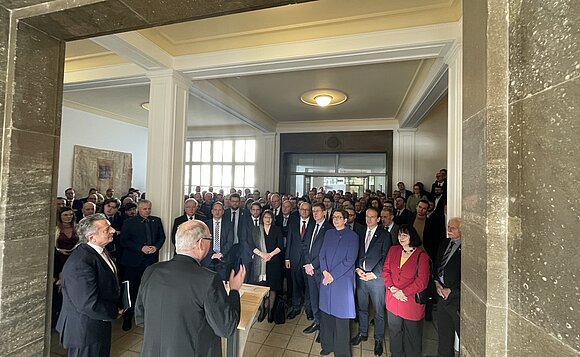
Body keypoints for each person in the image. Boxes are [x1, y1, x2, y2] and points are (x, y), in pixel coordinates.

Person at [135, 219, 244, 357]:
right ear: (200, 244)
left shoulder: (151, 271)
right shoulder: (208, 279)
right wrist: (234, 290)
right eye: (209, 238)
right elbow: (227, 328)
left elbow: (140, 317)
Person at [56, 214, 122, 357]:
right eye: (107, 229)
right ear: (91, 237)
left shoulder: (99, 251)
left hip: (97, 322)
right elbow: (87, 303)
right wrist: (113, 311)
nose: (113, 230)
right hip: (84, 330)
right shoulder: (81, 263)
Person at [382, 225, 430, 357]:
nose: (401, 238)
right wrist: (392, 288)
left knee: (412, 336)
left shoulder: (422, 257)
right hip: (392, 301)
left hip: (410, 303)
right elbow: (385, 271)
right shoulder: (393, 250)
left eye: (405, 235)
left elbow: (422, 282)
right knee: (394, 333)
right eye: (399, 235)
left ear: (412, 237)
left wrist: (402, 292)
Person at [119, 199, 166, 331]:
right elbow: (124, 240)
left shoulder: (156, 221)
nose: (147, 211)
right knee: (131, 290)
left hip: (150, 261)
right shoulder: (129, 222)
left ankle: (145, 315)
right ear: (138, 209)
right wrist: (140, 248)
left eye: (149, 208)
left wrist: (156, 248)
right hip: (132, 262)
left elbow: (162, 237)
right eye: (145, 209)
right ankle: (127, 317)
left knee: (148, 289)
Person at [318, 209, 359, 356]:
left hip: (342, 281)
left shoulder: (353, 236)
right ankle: (327, 345)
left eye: (339, 217)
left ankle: (342, 353)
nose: (335, 220)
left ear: (346, 220)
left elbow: (349, 260)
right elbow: (321, 254)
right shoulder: (328, 233)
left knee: (341, 318)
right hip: (326, 278)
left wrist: (332, 276)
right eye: (334, 217)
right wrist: (324, 272)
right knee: (326, 315)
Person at [351, 207, 391, 356]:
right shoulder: (360, 232)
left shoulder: (384, 235)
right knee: (362, 308)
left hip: (376, 280)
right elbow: (354, 252)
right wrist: (357, 268)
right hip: (361, 277)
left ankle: (379, 339)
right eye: (367, 216)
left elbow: (386, 257)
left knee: (379, 311)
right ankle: (362, 333)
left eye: (373, 217)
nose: (369, 219)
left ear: (378, 219)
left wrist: (373, 274)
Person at [248, 209, 284, 322]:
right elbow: (251, 245)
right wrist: (262, 254)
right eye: (265, 217)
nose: (268, 219)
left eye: (270, 217)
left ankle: (270, 311)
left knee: (273, 287)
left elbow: (280, 246)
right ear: (262, 219)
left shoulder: (277, 230)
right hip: (260, 262)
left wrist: (269, 255)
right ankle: (262, 309)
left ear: (272, 219)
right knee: (261, 288)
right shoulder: (256, 230)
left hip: (273, 261)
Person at [302, 203, 332, 335]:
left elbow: (325, 252)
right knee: (313, 297)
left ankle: (325, 327)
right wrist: (308, 264)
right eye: (313, 211)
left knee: (323, 299)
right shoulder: (311, 225)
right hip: (310, 269)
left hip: (321, 270)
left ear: (324, 212)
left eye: (317, 211)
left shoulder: (329, 229)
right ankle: (317, 321)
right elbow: (305, 246)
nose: (314, 213)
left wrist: (313, 265)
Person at [434, 218, 462, 357]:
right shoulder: (444, 243)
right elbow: (437, 265)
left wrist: (451, 290)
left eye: (453, 228)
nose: (449, 230)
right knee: (444, 333)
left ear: (462, 230)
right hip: (441, 294)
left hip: (457, 299)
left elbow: (468, 277)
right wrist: (437, 283)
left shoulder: (468, 249)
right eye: (448, 227)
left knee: (463, 335)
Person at [285, 201, 314, 319]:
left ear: (310, 211)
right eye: (302, 209)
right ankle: (296, 307)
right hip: (294, 258)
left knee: (309, 286)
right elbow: (289, 240)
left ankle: (309, 309)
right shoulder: (293, 221)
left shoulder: (314, 223)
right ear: (299, 209)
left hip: (309, 260)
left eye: (307, 210)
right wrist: (287, 258)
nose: (304, 212)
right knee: (295, 285)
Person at [52, 206, 80, 326]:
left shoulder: (77, 228)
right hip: (59, 259)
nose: (69, 217)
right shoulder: (55, 229)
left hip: (74, 259)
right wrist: (59, 250)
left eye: (70, 215)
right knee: (59, 289)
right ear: (60, 216)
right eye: (65, 215)